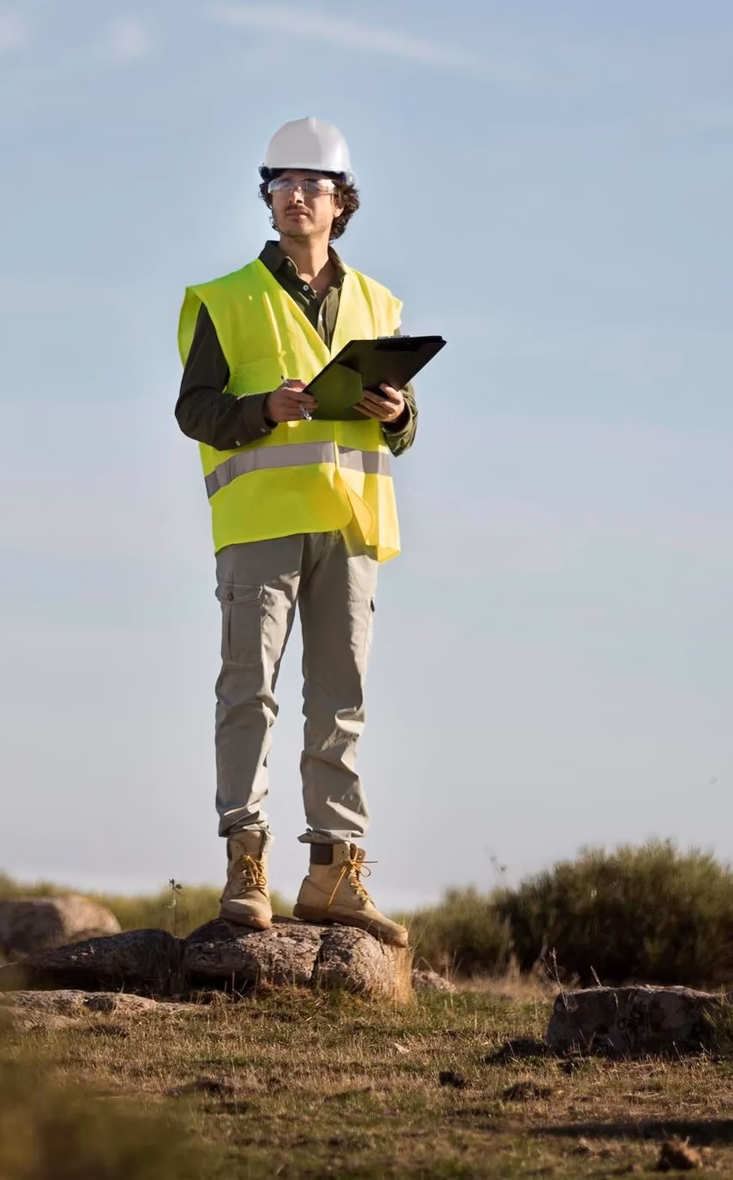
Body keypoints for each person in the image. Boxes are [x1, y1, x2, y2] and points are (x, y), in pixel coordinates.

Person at [175, 117, 413, 946]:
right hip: (261, 525)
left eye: (313, 185)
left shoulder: (380, 303)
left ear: (341, 201)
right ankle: (247, 865)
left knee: (341, 702)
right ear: (268, 197)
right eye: (283, 185)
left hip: (351, 525)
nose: (296, 197)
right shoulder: (224, 298)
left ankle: (334, 873)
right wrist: (261, 410)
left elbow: (399, 426)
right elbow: (194, 410)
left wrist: (400, 412)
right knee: (251, 691)